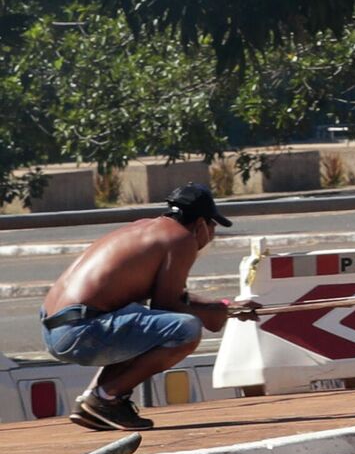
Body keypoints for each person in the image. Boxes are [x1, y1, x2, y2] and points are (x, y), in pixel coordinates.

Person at [41, 183, 255, 431]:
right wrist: (213, 314)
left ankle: (95, 401)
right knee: (186, 329)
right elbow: (168, 306)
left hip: (58, 327)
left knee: (144, 317)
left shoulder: (147, 229)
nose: (212, 234)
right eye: (213, 226)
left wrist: (224, 307)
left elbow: (171, 298)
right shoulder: (182, 238)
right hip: (80, 331)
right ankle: (106, 397)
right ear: (200, 224)